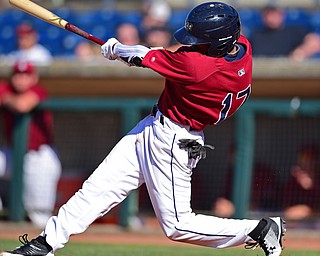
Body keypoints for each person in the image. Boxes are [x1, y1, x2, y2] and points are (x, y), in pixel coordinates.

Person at [0, 2, 285, 256]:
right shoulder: (242, 48)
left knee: (177, 225)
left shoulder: (198, 67)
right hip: (154, 128)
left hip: (174, 140)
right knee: (98, 189)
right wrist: (127, 52)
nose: (191, 44)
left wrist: (115, 49)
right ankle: (45, 245)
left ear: (218, 42)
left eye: (199, 41)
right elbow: (152, 56)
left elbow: (141, 55)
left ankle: (260, 229)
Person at [0, 61, 61, 227]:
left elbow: (22, 105)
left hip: (39, 157)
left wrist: (5, 99)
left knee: (38, 214)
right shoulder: (6, 89)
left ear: (34, 78)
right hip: (13, 154)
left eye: (26, 75)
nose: (21, 79)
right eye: (17, 75)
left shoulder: (37, 90)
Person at [282, 144, 320, 221]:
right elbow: (286, 209)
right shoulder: (294, 178)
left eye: (310, 158)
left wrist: (312, 185)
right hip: (299, 222)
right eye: (304, 158)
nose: (307, 162)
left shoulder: (317, 177)